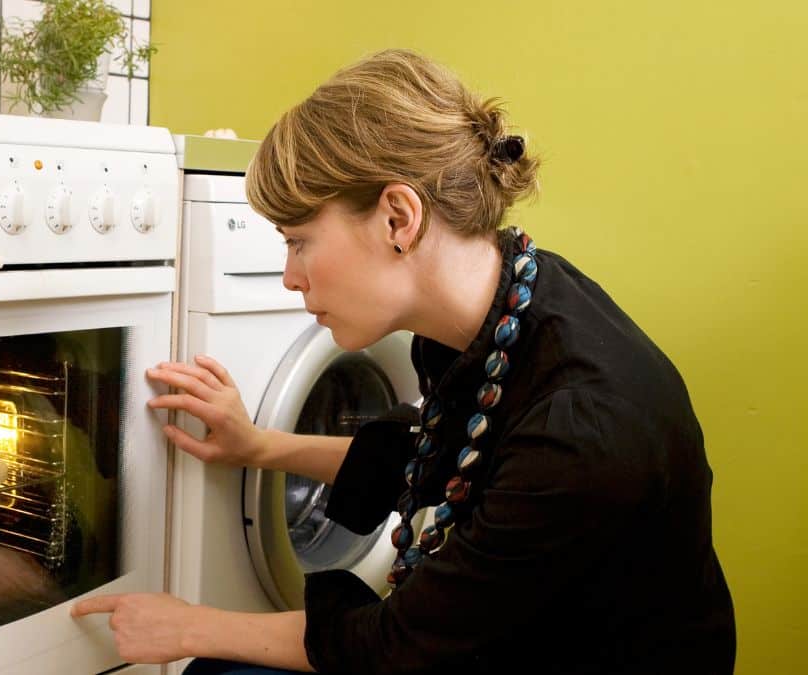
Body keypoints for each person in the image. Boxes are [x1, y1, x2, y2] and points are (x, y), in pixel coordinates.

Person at [71, 48, 736, 674]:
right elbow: (434, 459)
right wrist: (259, 446)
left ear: (398, 218)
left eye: (299, 242)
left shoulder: (582, 426)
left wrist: (189, 626)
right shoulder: (497, 304)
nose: (288, 277)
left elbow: (397, 645)